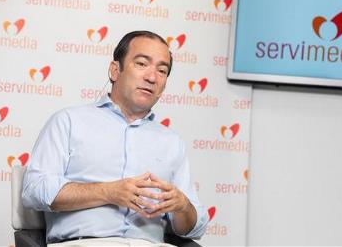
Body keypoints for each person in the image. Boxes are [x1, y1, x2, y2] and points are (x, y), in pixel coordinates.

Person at [22, 30, 208, 246]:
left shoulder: (171, 142)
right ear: (114, 70)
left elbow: (196, 227)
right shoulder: (68, 121)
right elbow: (33, 189)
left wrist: (182, 206)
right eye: (141, 64)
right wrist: (109, 192)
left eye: (162, 70)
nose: (152, 77)